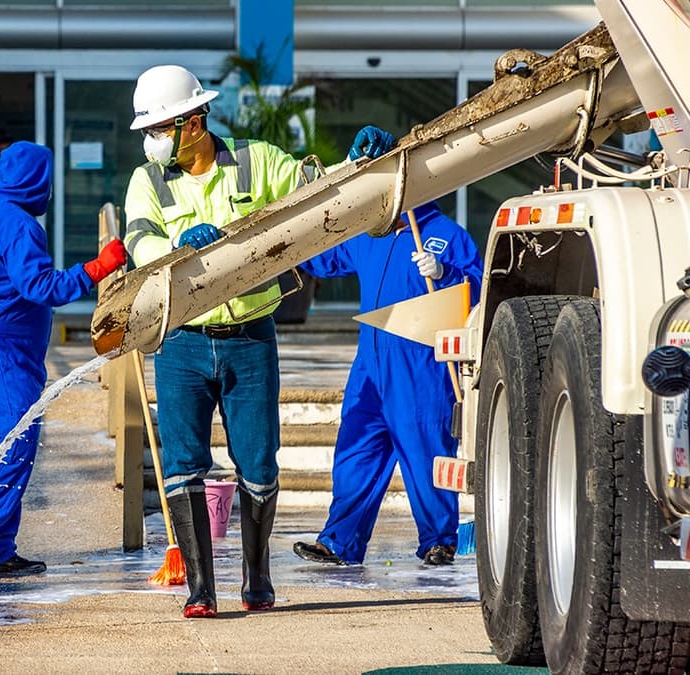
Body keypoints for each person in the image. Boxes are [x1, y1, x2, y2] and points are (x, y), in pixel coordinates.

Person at [123, 64, 396, 618]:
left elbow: (315, 193)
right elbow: (139, 240)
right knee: (181, 463)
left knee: (259, 462)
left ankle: (257, 576)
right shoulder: (145, 182)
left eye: (159, 128)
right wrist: (180, 244)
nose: (152, 141)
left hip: (251, 336)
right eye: (149, 131)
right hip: (182, 342)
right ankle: (200, 588)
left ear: (194, 122)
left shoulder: (257, 160)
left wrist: (362, 162)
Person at [0, 141, 126, 577]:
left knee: (0, 444)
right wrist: (99, 267)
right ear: (36, 181)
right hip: (2, 353)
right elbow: (42, 288)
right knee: (13, 446)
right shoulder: (19, 226)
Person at [292, 201, 483, 567]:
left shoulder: (447, 234)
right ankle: (339, 540)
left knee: (425, 453)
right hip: (370, 367)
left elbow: (478, 290)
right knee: (355, 453)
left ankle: (438, 540)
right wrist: (288, 246)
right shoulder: (369, 234)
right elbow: (326, 258)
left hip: (421, 367)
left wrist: (445, 273)